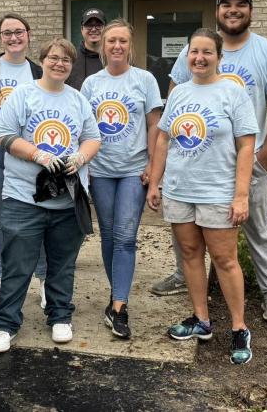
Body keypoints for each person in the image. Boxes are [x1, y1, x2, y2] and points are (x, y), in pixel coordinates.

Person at [150, 0, 267, 326]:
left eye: (241, 5)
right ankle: (182, 277)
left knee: (257, 228)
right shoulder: (194, 47)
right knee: (186, 237)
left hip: (247, 161)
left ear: (250, 10)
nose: (233, 10)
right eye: (226, 5)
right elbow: (175, 98)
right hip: (196, 160)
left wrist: (265, 152)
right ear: (217, 11)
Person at [146, 27, 259, 364]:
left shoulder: (233, 93)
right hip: (181, 190)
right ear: (187, 56)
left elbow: (246, 145)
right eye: (194, 52)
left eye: (207, 52)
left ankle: (239, 327)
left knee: (224, 261)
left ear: (219, 57)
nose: (199, 58)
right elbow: (164, 139)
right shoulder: (179, 93)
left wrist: (241, 195)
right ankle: (201, 320)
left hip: (218, 192)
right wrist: (155, 183)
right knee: (191, 254)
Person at [0, 38, 101, 353]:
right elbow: (3, 135)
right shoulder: (24, 95)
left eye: (66, 59)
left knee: (63, 263)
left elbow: (93, 138)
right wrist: (38, 155)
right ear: (43, 60)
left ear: (71, 65)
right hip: (24, 198)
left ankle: (60, 316)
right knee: (18, 264)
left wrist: (80, 158)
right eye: (54, 58)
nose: (60, 64)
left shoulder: (77, 100)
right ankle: (6, 323)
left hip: (67, 199)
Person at [81, 19, 163, 339]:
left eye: (123, 41)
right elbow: (85, 129)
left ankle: (118, 305)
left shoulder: (144, 80)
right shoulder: (91, 85)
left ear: (131, 45)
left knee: (126, 237)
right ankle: (116, 294)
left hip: (133, 170)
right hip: (100, 171)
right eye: (111, 41)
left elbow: (155, 126)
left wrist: (153, 166)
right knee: (109, 236)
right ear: (103, 45)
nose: (117, 46)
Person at [0, 13, 48, 309]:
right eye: (7, 33)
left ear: (28, 34)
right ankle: (1, 277)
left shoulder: (38, 71)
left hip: (31, 154)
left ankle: (45, 280)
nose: (13, 38)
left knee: (39, 217)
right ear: (0, 37)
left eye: (19, 32)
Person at [66, 8, 105, 90]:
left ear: (106, 28)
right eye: (89, 25)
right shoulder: (70, 59)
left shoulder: (115, 59)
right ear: (81, 29)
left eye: (98, 25)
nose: (94, 29)